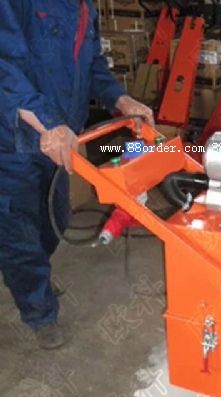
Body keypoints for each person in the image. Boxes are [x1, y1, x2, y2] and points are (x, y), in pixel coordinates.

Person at [0, 1, 154, 349]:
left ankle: (31, 276)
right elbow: (5, 68)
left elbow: (93, 64)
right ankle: (39, 312)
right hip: (14, 140)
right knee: (20, 234)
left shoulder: (83, 6)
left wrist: (120, 99)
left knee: (55, 218)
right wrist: (47, 124)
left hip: (60, 140)